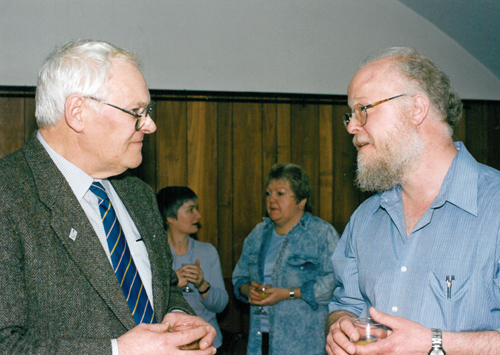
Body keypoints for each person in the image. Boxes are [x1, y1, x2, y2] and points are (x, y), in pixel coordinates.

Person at [0, 39, 216, 355]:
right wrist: (116, 351)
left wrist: (179, 318)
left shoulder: (138, 194)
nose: (151, 125)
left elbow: (165, 289)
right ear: (77, 112)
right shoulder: (9, 195)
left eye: (148, 111)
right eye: (136, 111)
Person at [325, 47, 500, 355]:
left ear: (417, 109)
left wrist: (438, 345)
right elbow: (345, 304)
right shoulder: (366, 218)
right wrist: (341, 326)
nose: (353, 126)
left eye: (364, 108)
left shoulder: (494, 206)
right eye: (350, 115)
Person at [233, 162, 340, 355]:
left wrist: (289, 293)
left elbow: (333, 284)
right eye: (268, 193)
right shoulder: (257, 234)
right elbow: (239, 277)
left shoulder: (321, 233)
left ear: (301, 200)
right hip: (260, 341)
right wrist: (247, 289)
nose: (271, 200)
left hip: (303, 344)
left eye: (280, 194)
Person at [156, 186, 229, 350]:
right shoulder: (156, 254)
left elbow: (221, 305)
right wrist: (172, 283)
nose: (198, 215)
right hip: (169, 346)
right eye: (191, 210)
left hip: (207, 343)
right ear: (170, 217)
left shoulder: (207, 251)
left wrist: (203, 285)